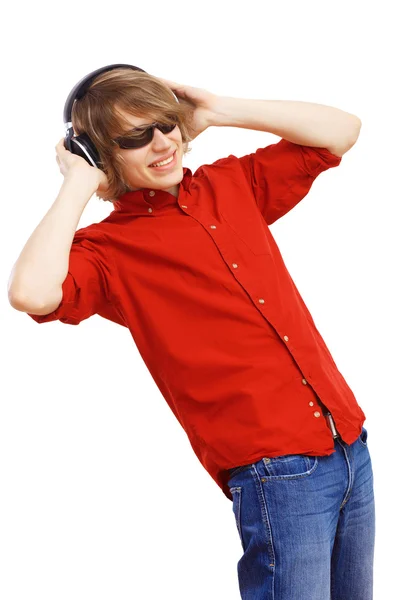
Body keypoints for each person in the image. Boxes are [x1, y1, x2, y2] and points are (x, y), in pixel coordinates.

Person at [8, 65, 375, 599]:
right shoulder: (108, 252)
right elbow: (31, 294)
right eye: (135, 137)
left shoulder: (231, 185)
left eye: (165, 124)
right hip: (278, 473)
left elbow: (343, 130)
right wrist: (79, 183)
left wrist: (220, 110)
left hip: (348, 443)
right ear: (99, 153)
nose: (161, 143)